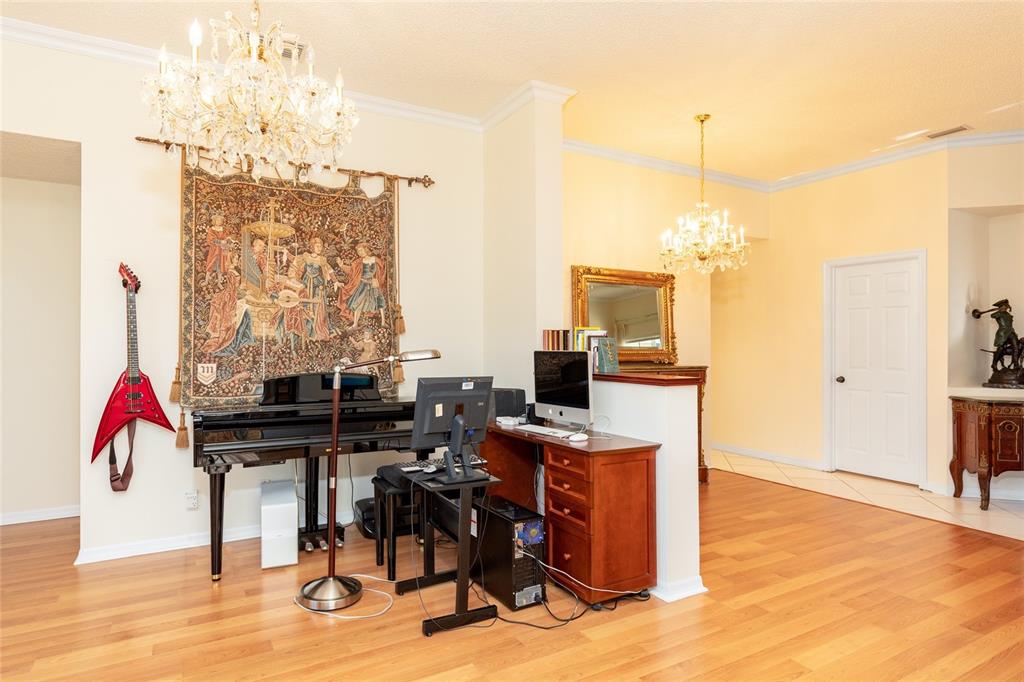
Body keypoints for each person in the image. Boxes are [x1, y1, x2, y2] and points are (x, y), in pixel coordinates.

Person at [337, 243, 387, 329]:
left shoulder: (376, 260)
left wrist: (378, 280)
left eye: (361, 250)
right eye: (358, 251)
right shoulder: (358, 262)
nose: (360, 253)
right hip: (363, 284)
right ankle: (355, 324)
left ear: (366, 249)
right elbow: (351, 271)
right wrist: (342, 265)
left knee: (380, 301)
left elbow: (382, 271)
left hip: (374, 284)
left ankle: (383, 322)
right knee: (358, 303)